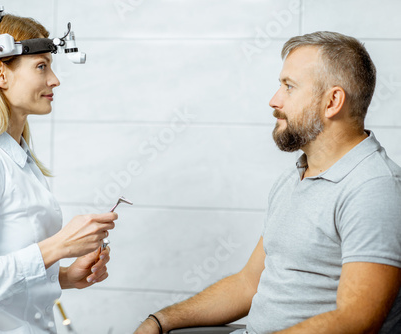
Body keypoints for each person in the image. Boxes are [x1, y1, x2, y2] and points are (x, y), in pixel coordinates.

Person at [135, 31, 401, 334]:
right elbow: (249, 283)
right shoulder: (296, 176)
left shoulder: (374, 189)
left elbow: (356, 321)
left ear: (332, 101)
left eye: (289, 86)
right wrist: (160, 320)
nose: (274, 100)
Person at [0, 10, 117, 333]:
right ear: (0, 74)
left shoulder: (18, 157)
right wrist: (57, 247)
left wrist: (65, 277)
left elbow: (2, 267)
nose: (55, 80)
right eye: (42, 66)